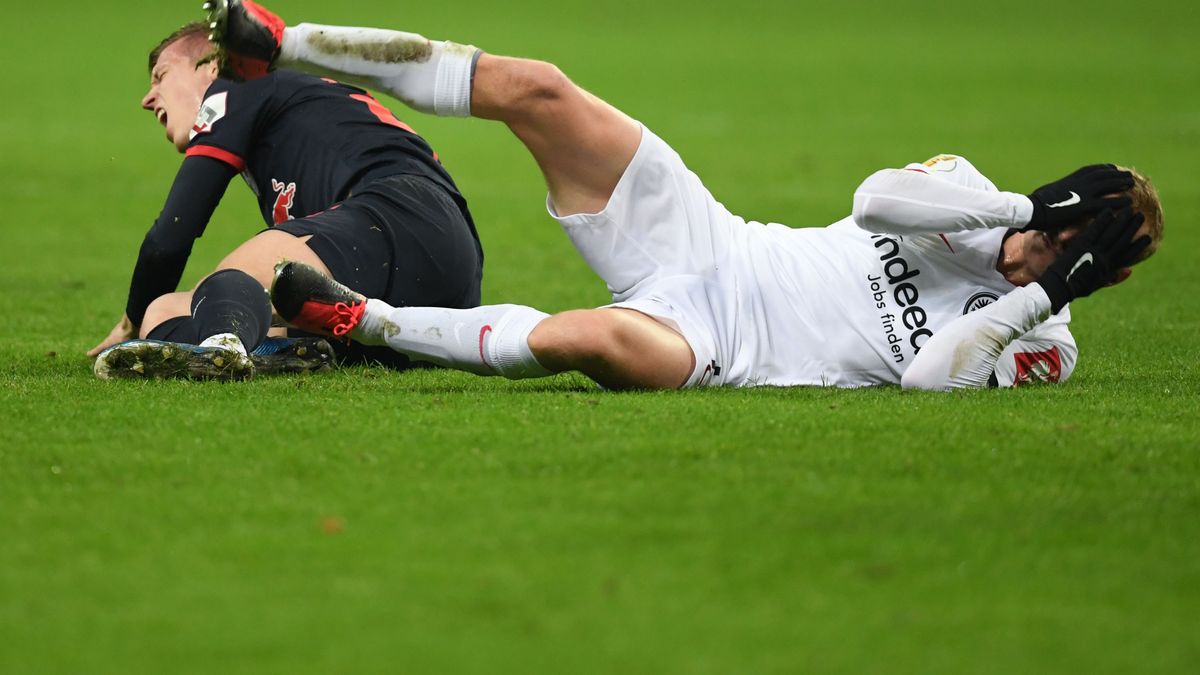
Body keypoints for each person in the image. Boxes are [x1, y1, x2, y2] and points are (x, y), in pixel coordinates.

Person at [211, 1, 1163, 391]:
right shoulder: (974, 196)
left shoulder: (1047, 343)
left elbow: (927, 382)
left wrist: (1046, 291)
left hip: (730, 347)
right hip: (717, 243)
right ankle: (279, 38)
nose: (1060, 237)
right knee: (539, 86)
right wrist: (1019, 214)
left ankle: (363, 321)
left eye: (1085, 243)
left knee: (585, 336)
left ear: (1101, 274)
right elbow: (873, 202)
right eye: (1069, 212)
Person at [90, 13, 484, 379]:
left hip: (400, 214)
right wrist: (144, 316)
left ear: (212, 65)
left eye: (161, 76)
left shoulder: (240, 79)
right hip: (431, 300)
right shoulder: (286, 114)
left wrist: (129, 321)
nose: (148, 98)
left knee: (239, 276)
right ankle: (270, 353)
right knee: (165, 311)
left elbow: (173, 234)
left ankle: (222, 349)